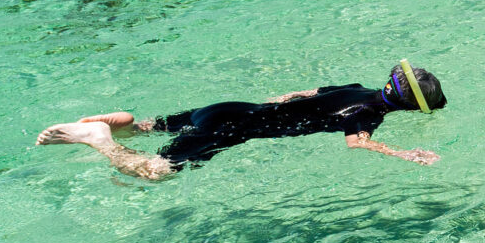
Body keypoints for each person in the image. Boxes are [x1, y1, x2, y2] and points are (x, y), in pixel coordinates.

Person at [35, 62, 447, 181]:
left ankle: (126, 125)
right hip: (233, 130)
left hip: (231, 109)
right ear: (411, 108)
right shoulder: (369, 114)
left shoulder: (355, 88)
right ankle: (100, 138)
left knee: (154, 128)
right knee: (155, 172)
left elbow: (298, 95)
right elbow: (357, 142)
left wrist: (274, 105)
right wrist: (403, 153)